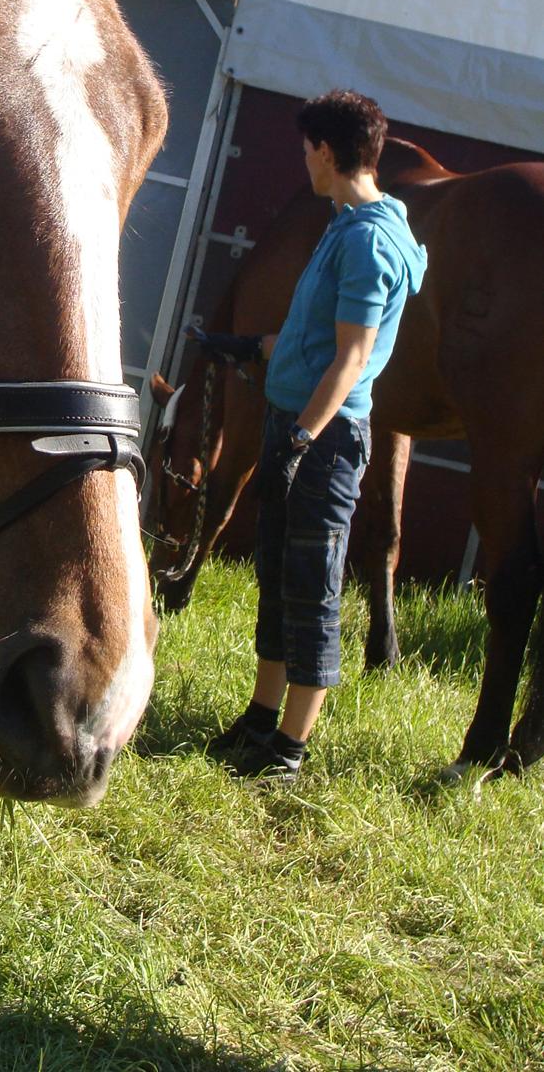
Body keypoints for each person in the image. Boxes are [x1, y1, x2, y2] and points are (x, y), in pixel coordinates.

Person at [198, 90, 427, 782]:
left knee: (312, 589)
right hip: (295, 423)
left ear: (327, 152)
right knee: (277, 576)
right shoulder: (346, 220)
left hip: (322, 444)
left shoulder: (366, 240)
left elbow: (354, 355)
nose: (304, 161)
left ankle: (289, 750)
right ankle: (261, 717)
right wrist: (267, 347)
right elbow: (326, 335)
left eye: (306, 150)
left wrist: (298, 440)